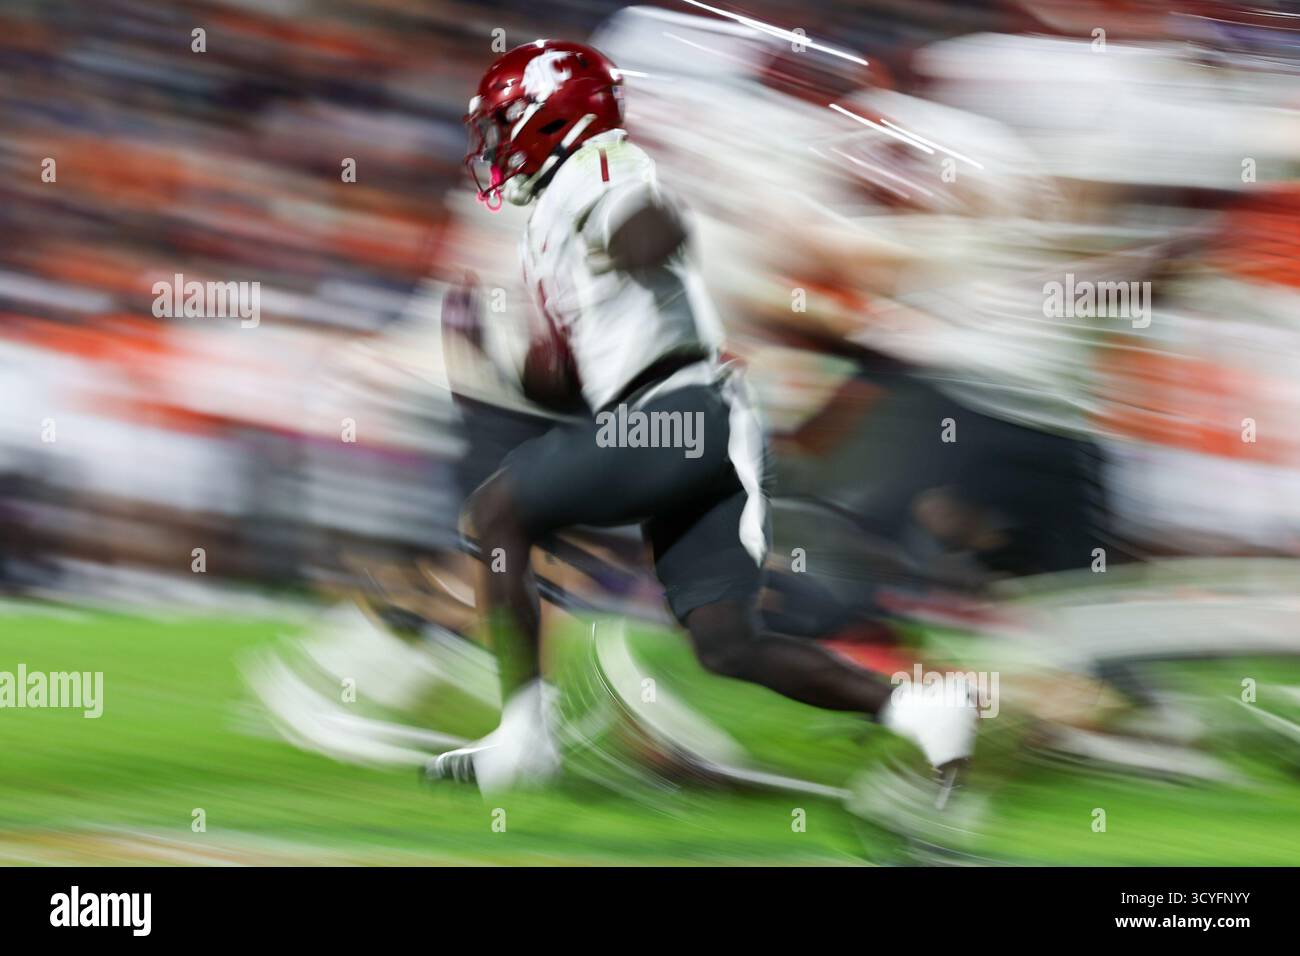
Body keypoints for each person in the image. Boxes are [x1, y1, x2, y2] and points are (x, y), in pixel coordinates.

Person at [427, 40, 975, 794]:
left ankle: (526, 737)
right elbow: (571, 383)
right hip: (696, 422)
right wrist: (497, 357)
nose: (493, 145)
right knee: (727, 644)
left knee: (498, 512)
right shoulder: (555, 214)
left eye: (503, 123)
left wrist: (634, 245)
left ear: (550, 120)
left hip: (678, 415)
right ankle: (920, 709)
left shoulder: (605, 169)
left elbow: (651, 225)